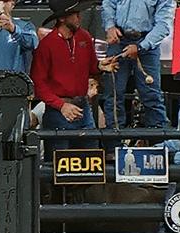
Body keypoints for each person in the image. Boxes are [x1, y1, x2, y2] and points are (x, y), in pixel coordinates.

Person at [30, 0, 118, 160]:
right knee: (59, 166)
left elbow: (92, 67)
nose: (79, 17)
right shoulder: (47, 45)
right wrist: (61, 105)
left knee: (91, 161)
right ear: (62, 18)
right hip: (58, 111)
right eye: (75, 14)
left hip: (82, 107)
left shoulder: (84, 37)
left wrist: (101, 67)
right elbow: (38, 83)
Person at [102, 0, 173, 131]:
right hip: (119, 39)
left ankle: (160, 143)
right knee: (113, 95)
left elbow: (164, 24)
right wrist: (110, 26)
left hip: (147, 43)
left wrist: (140, 47)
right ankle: (113, 146)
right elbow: (108, 4)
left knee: (151, 95)